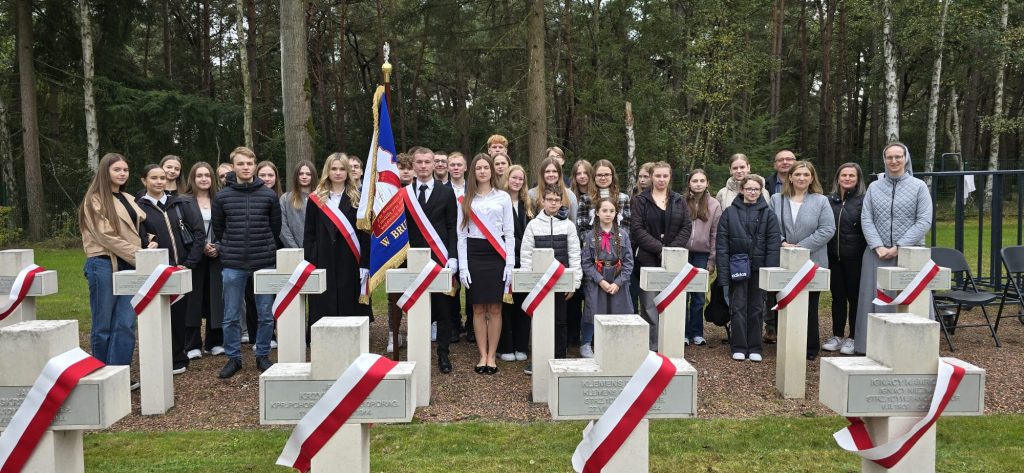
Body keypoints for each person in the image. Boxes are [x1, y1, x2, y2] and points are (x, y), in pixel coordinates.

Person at [854, 143, 932, 354]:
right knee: (875, 298)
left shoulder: (919, 186)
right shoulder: (874, 187)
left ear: (906, 158)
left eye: (898, 156)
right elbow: (866, 217)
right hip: (876, 254)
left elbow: (924, 220)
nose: (894, 161)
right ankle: (872, 347)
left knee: (910, 299)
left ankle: (914, 350)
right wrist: (877, 245)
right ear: (884, 159)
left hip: (909, 255)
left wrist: (899, 246)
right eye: (889, 157)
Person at [211, 146, 282, 378]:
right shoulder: (222, 196)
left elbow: (275, 227)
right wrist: (233, 247)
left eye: (249, 164)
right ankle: (233, 358)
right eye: (240, 164)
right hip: (233, 263)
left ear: (254, 165)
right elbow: (219, 229)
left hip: (264, 261)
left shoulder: (268, 195)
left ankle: (262, 355)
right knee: (231, 314)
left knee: (265, 314)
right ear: (234, 166)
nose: (245, 167)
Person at [80, 153, 152, 370]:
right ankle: (101, 374)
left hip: (129, 265)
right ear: (105, 171)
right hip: (103, 264)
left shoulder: (129, 198)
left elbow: (142, 229)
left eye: (125, 170)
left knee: (126, 323)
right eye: (117, 170)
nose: (122, 173)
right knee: (103, 326)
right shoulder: (94, 199)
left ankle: (119, 372)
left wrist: (150, 242)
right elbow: (105, 236)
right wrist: (140, 255)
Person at [136, 164, 207, 375]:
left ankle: (178, 356)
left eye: (162, 178)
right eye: (154, 178)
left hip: (180, 268)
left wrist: (189, 263)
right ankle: (156, 358)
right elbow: (137, 235)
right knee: (155, 316)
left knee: (179, 315)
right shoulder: (139, 207)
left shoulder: (180, 203)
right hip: (156, 271)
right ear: (144, 181)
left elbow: (198, 233)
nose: (159, 182)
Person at [767, 161, 835, 361]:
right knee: (784, 301)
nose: (802, 178)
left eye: (806, 174)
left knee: (810, 305)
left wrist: (801, 247)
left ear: (812, 178)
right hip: (783, 259)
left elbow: (827, 229)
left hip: (812, 261)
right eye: (797, 174)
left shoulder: (821, 201)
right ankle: (786, 343)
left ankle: (809, 347)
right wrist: (783, 243)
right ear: (790, 177)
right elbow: (770, 227)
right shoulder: (776, 199)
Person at [458, 154, 515, 374]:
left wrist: (509, 264)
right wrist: (463, 266)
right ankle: (482, 355)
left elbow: (509, 233)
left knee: (496, 307)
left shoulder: (503, 197)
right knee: (478, 308)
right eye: (478, 168)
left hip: (496, 255)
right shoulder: (466, 199)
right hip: (474, 254)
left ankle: (493, 356)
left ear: (492, 170)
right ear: (473, 172)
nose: (482, 171)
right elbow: (461, 235)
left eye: (486, 167)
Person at [405, 146, 459, 373]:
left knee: (443, 308)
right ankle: (417, 353)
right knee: (416, 306)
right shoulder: (404, 194)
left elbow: (452, 227)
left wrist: (454, 256)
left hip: (440, 259)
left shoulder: (446, 192)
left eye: (428, 162)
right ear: (413, 165)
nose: (425, 166)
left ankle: (443, 353)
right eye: (420, 162)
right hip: (414, 260)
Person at [304, 153, 371, 333]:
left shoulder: (359, 198)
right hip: (323, 257)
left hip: (350, 258)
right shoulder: (315, 199)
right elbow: (309, 234)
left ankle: (352, 338)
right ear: (327, 171)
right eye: (334, 168)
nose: (338, 173)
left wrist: (365, 263)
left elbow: (365, 234)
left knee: (349, 299)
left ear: (348, 172)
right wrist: (310, 260)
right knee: (324, 300)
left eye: (342, 169)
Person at [717, 175, 780, 361]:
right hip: (737, 267)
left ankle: (755, 347)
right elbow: (722, 245)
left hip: (759, 269)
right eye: (749, 189)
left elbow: (773, 245)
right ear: (742, 190)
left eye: (756, 189)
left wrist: (770, 272)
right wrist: (723, 273)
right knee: (737, 307)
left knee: (756, 308)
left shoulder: (768, 215)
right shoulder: (729, 213)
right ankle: (738, 345)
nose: (752, 192)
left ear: (761, 191)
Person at [630, 161, 692, 351]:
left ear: (670, 177)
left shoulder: (678, 200)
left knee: (672, 301)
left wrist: (671, 250)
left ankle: (671, 344)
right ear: (650, 177)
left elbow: (686, 226)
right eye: (657, 176)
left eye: (665, 176)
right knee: (649, 304)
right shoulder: (640, 201)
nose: (661, 179)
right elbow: (637, 229)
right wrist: (660, 249)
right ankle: (653, 346)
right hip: (648, 259)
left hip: (674, 261)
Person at [522, 184, 582, 362]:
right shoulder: (533, 226)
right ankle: (540, 358)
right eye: (550, 200)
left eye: (557, 200)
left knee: (560, 321)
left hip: (560, 282)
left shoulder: (569, 226)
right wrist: (528, 281)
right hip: (539, 284)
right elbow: (526, 255)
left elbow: (574, 254)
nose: (553, 203)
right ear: (542, 201)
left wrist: (574, 283)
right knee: (540, 321)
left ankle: (560, 357)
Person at [180, 162, 224, 359]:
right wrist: (199, 247)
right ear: (193, 178)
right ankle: (192, 344)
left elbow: (229, 227)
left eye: (207, 175)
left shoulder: (220, 199)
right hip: (194, 256)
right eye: (199, 175)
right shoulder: (183, 201)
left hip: (217, 256)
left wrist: (218, 246)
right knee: (193, 299)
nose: (204, 179)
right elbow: (181, 230)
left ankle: (214, 342)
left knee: (216, 298)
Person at [580, 197, 634, 358]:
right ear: (597, 213)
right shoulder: (590, 236)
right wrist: (600, 280)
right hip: (598, 279)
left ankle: (617, 344)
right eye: (604, 210)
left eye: (611, 211)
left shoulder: (623, 235)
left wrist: (618, 282)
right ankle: (586, 343)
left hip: (617, 278)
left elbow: (629, 262)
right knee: (593, 310)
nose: (608, 214)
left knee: (619, 310)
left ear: (616, 213)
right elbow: (586, 262)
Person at [825, 163, 867, 356]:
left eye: (852, 175)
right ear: (838, 178)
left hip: (856, 258)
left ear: (858, 179)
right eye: (844, 175)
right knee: (838, 298)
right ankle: (837, 335)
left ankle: (853, 337)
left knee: (855, 298)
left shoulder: (863, 200)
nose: (848, 178)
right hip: (834, 258)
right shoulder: (829, 201)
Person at [497, 165, 533, 363]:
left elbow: (531, 233)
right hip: (505, 260)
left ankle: (521, 345)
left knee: (523, 305)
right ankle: (506, 347)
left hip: (525, 262)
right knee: (505, 306)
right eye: (514, 178)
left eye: (521, 178)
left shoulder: (528, 204)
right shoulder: (499, 201)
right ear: (507, 178)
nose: (517, 181)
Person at [684, 169, 722, 347]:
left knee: (698, 296)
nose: (698, 183)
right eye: (694, 180)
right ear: (689, 183)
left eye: (702, 181)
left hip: (702, 254)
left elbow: (715, 234)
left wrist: (712, 260)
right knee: (681, 295)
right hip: (682, 254)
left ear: (707, 183)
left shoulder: (714, 205)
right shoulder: (681, 201)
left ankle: (697, 332)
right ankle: (682, 332)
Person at [763, 149, 797, 344]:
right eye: (781, 160)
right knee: (771, 287)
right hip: (773, 243)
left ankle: (792, 327)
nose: (785, 162)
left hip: (798, 247)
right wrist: (780, 240)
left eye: (789, 159)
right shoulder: (767, 185)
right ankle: (771, 326)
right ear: (775, 164)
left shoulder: (805, 182)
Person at [568, 159, 593, 347]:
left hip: (594, 252)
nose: (582, 176)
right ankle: (573, 335)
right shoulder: (570, 195)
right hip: (574, 250)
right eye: (578, 173)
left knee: (591, 297)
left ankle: (590, 337)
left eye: (585, 172)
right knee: (574, 296)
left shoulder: (596, 196)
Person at [445, 151, 470, 343]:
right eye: (452, 165)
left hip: (471, 243)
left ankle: (471, 326)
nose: (455, 168)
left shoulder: (474, 189)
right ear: (447, 167)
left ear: (465, 167)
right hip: (448, 242)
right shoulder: (440, 189)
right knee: (451, 286)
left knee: (472, 286)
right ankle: (453, 325)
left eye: (458, 165)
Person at [528, 157, 579, 222]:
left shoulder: (569, 195)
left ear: (559, 174)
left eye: (554, 171)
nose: (551, 174)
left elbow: (573, 221)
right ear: (542, 174)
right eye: (547, 171)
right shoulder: (532, 195)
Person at [280, 160, 317, 248]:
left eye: (308, 174)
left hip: (318, 253)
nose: (304, 177)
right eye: (301, 174)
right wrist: (296, 250)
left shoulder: (322, 199)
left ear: (313, 176)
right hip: (294, 253)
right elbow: (283, 227)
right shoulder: (285, 199)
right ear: (296, 176)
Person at [591, 159, 632, 228]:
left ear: (612, 176)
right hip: (593, 237)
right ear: (594, 177)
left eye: (607, 174)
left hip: (618, 237)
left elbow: (626, 225)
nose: (603, 178)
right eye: (599, 175)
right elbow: (583, 228)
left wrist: (617, 238)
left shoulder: (624, 198)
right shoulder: (586, 198)